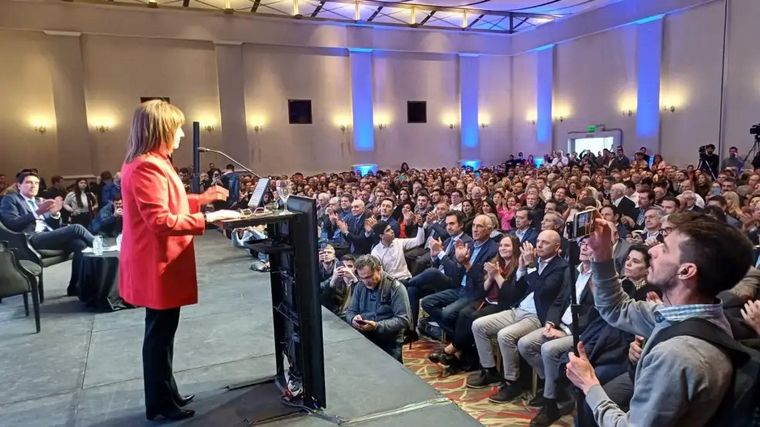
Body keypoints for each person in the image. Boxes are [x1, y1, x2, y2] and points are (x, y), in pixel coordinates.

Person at [566, 212, 753, 426]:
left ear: (686, 271)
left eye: (664, 248)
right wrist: (602, 253)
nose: (652, 251)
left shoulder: (678, 355)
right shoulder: (686, 314)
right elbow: (616, 308)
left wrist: (589, 384)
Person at [118, 100, 237, 421]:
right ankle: (159, 404)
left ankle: (167, 391)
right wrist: (210, 219)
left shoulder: (152, 162)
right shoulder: (146, 166)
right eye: (178, 128)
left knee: (163, 332)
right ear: (161, 130)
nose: (182, 134)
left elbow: (170, 200)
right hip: (157, 263)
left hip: (158, 262)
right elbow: (160, 220)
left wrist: (203, 199)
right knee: (159, 335)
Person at [0, 170, 95, 296]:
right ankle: (100, 245)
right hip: (30, 239)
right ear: (19, 185)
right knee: (76, 228)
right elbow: (13, 224)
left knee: (80, 244)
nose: (33, 186)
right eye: (29, 182)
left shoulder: (40, 200)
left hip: (47, 236)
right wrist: (37, 212)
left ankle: (74, 286)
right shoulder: (11, 199)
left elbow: (54, 226)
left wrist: (55, 214)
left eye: (36, 183)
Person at [345, 255, 411, 362]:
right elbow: (350, 311)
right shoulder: (360, 286)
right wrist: (353, 320)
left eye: (369, 277)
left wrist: (376, 326)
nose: (366, 281)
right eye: (362, 278)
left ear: (379, 269)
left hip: (389, 341)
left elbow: (404, 320)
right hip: (364, 336)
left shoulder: (395, 287)